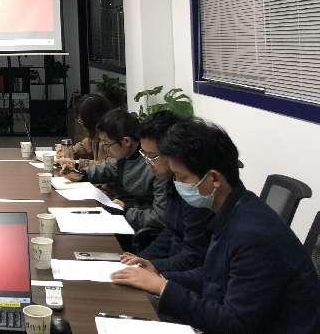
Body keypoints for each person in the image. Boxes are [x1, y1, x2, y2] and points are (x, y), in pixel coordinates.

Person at [111, 118, 320, 334]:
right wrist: (159, 276)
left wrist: (163, 288)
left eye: (181, 178)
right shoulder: (235, 208)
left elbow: (233, 324)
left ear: (213, 179)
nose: (177, 184)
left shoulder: (252, 234)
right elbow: (214, 276)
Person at [120, 111, 213, 273]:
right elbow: (170, 232)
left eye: (152, 156)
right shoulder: (171, 181)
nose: (148, 163)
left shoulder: (196, 192)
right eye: (144, 155)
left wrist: (154, 267)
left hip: (183, 275)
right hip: (171, 268)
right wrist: (140, 259)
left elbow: (194, 257)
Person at [62, 108, 167, 245]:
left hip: (138, 230)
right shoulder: (127, 156)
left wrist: (126, 210)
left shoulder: (157, 166)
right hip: (126, 216)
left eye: (107, 144)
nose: (106, 149)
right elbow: (109, 168)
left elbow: (159, 217)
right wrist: (82, 175)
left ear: (126, 141)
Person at [56, 93, 112, 169]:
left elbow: (105, 167)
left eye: (81, 120)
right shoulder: (95, 134)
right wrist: (68, 151)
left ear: (92, 119)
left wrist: (76, 163)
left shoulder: (111, 137)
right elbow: (84, 146)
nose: (81, 124)